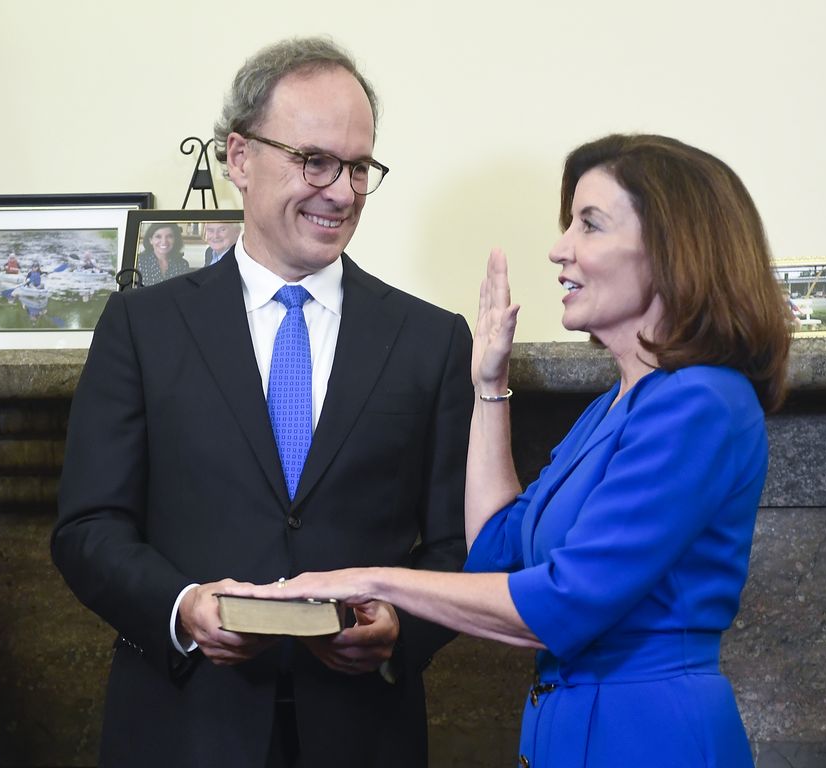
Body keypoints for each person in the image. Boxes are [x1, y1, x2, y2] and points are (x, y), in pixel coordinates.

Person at [231, 134, 792, 767]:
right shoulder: (616, 405)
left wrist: (364, 577)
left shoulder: (701, 403)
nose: (559, 249)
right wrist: (489, 385)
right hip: (569, 730)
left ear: (671, 252)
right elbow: (496, 548)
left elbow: (561, 605)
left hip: (650, 737)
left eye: (590, 224)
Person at [51, 37, 473, 767]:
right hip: (184, 725)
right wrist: (183, 607)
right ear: (239, 158)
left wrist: (401, 627)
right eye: (315, 161)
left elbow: (456, 545)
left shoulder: (430, 341)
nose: (341, 191)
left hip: (364, 731)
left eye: (359, 167)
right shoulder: (142, 327)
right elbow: (88, 527)